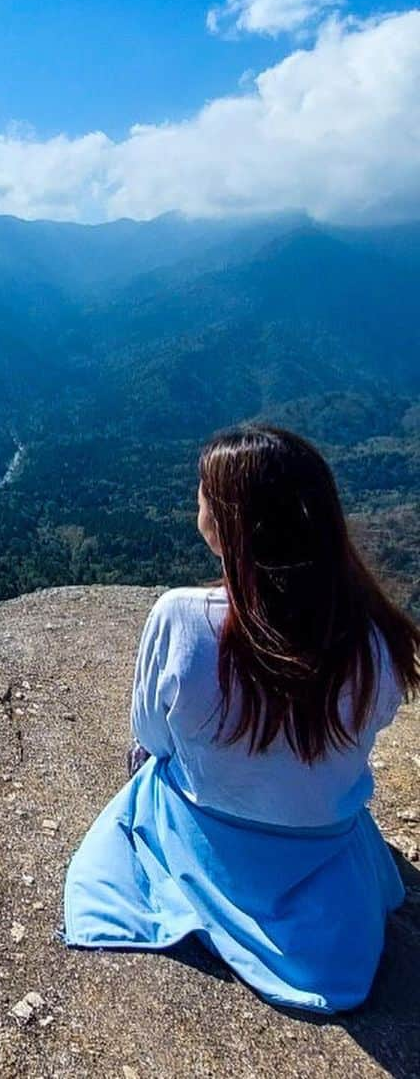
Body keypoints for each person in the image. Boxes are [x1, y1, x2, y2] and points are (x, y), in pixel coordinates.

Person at [62, 423, 419, 1013]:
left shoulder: (181, 618)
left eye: (203, 492)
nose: (196, 502)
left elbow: (151, 739)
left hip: (206, 837)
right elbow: (359, 743)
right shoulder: (375, 638)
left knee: (148, 770)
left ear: (232, 522)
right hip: (322, 847)